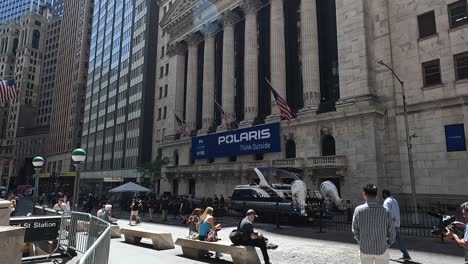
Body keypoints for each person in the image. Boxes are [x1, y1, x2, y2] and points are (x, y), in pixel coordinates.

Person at [352, 184, 395, 264]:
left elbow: (355, 230)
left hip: (365, 250)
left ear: (364, 195)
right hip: (382, 249)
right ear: (376, 195)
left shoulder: (358, 210)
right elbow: (392, 231)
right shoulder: (385, 212)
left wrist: (361, 241)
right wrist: (388, 243)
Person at [382, 189, 411, 261]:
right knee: (397, 239)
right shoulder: (394, 200)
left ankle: (382, 254)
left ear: (384, 194)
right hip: (396, 223)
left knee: (384, 238)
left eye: (382, 194)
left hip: (390, 224)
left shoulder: (387, 201)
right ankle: (406, 255)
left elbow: (387, 212)